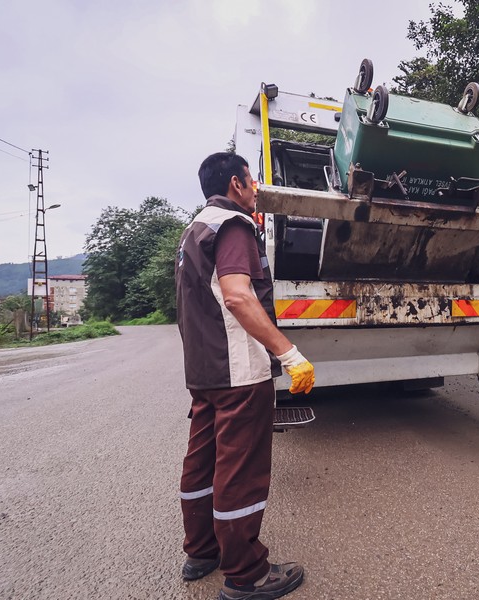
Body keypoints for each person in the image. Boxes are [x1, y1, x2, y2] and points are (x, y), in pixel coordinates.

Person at [175, 152, 315, 600]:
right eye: (251, 180)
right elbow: (237, 296)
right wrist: (289, 354)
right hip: (238, 372)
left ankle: (202, 552)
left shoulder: (194, 230)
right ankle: (246, 573)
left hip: (205, 372)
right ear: (236, 184)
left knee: (203, 463)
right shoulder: (233, 225)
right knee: (241, 471)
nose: (256, 188)